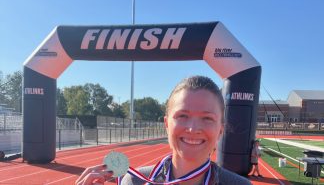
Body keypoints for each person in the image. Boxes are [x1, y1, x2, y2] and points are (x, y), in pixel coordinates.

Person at [76, 76, 252, 185]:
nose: (193, 128)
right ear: (167, 125)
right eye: (182, 115)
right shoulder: (135, 181)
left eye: (207, 118)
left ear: (220, 130)